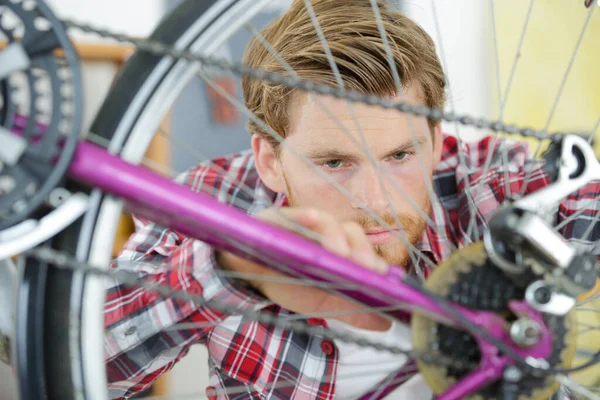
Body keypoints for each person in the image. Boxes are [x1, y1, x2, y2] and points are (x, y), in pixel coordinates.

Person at [103, 0, 600, 399]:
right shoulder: (214, 200)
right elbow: (84, 357)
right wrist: (230, 269)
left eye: (401, 154)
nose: (373, 199)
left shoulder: (483, 179)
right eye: (334, 163)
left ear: (436, 138)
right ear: (270, 160)